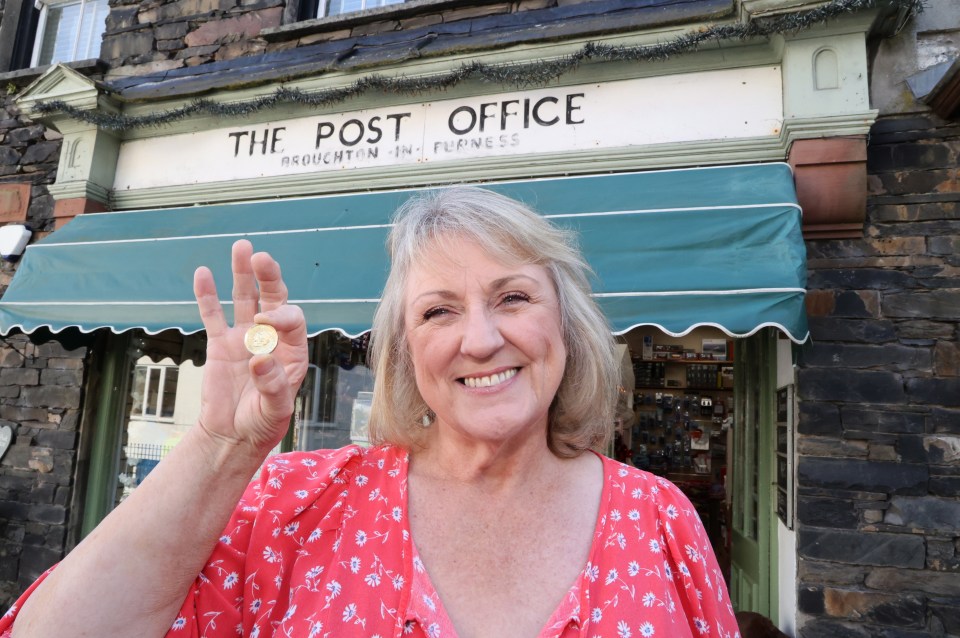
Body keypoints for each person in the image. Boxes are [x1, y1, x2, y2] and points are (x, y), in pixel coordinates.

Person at [1, 187, 740, 637]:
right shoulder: (297, 508)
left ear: (566, 329)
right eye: (438, 312)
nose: (480, 340)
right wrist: (219, 444)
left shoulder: (661, 519)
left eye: (512, 298)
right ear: (405, 353)